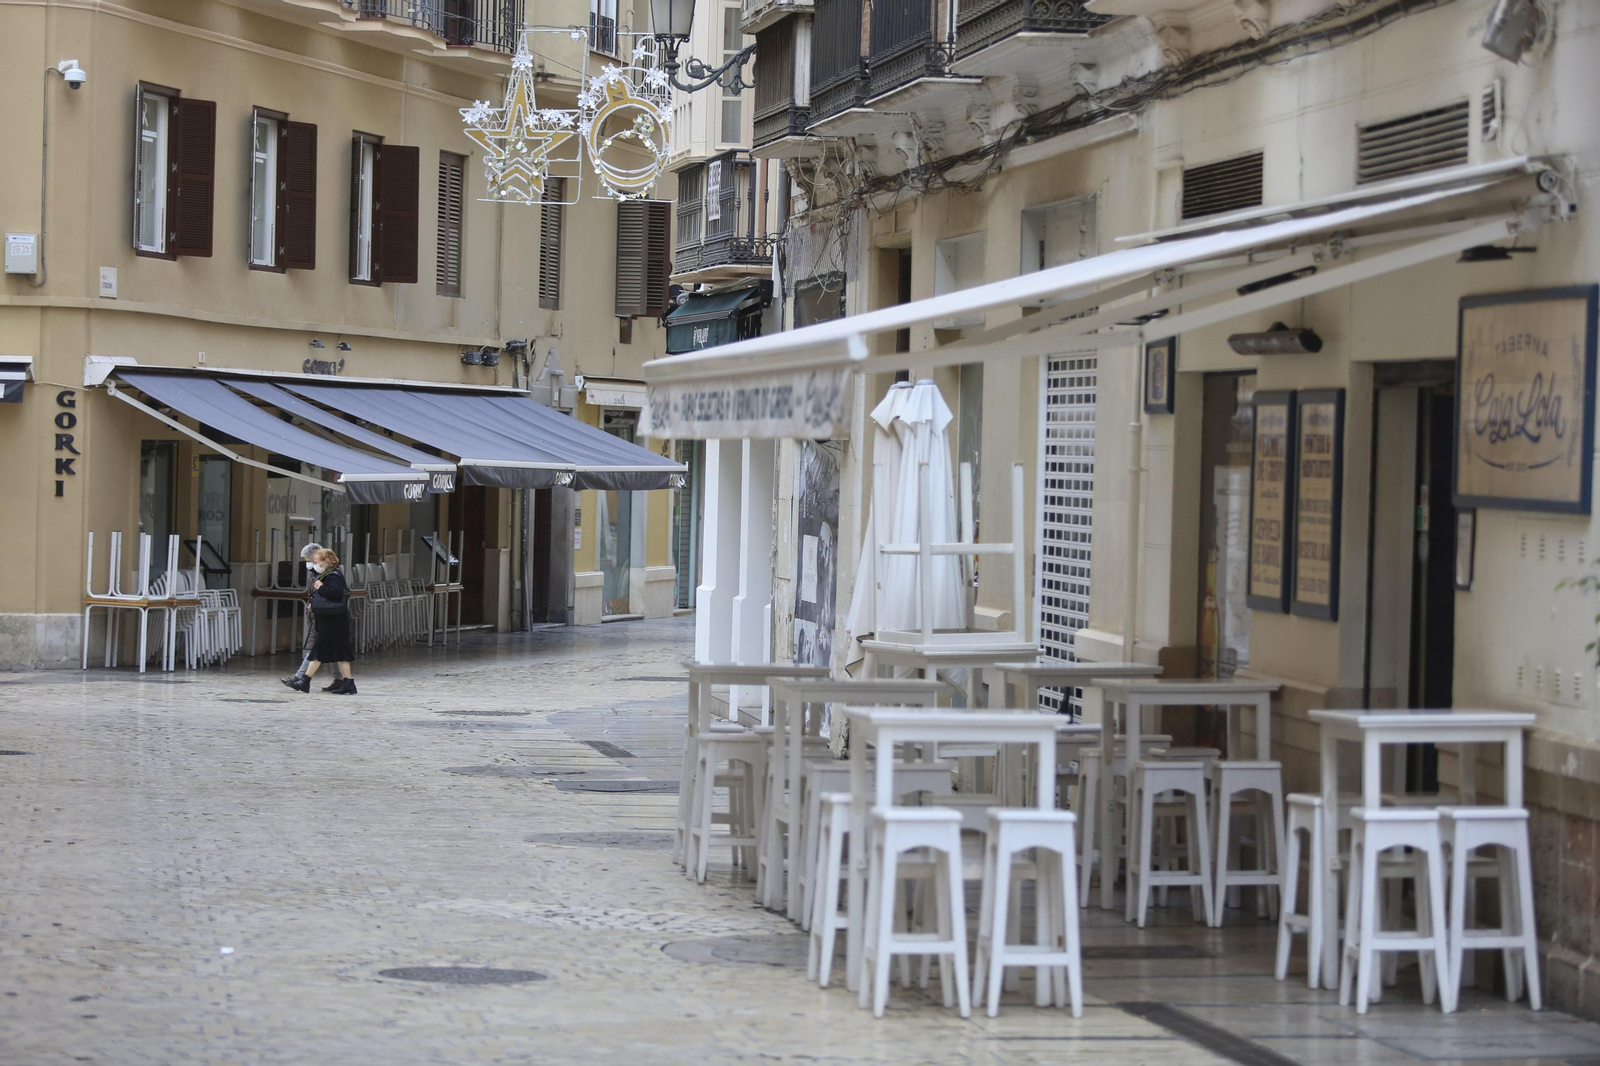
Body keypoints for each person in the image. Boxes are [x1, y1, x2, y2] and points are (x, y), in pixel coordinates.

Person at [287, 548, 357, 694]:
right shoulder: (329, 574)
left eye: (316, 562)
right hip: (334, 621)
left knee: (319, 650)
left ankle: (304, 681)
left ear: (326, 561)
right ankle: (348, 683)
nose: (314, 565)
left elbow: (335, 593)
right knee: (339, 652)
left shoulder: (333, 576)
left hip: (334, 622)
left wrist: (321, 587)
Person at [279, 542, 323, 691]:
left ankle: (299, 678)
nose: (308, 564)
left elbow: (329, 593)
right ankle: (342, 680)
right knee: (334, 651)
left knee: (314, 650)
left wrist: (316, 604)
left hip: (322, 616)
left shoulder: (326, 573)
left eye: (308, 560)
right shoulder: (314, 572)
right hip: (316, 615)